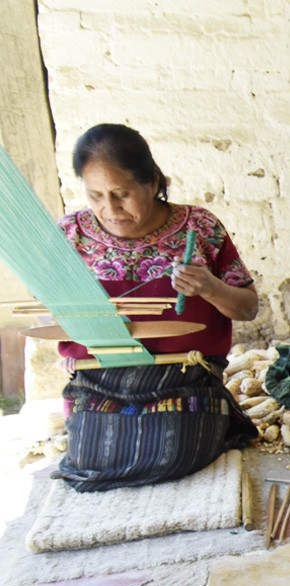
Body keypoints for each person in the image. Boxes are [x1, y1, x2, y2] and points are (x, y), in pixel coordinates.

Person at [54, 123, 258, 491]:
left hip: (183, 377)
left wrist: (210, 287)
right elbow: (48, 313)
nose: (109, 209)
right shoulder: (70, 235)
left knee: (175, 448)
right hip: (100, 380)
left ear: (151, 182)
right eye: (95, 195)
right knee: (90, 456)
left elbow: (247, 309)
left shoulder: (200, 227)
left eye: (122, 194)